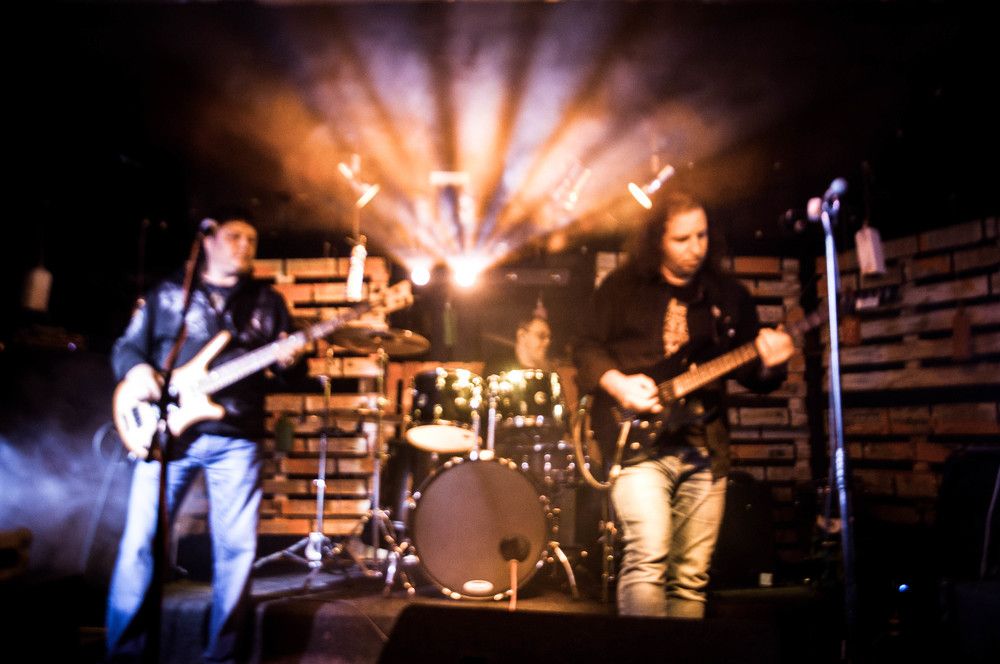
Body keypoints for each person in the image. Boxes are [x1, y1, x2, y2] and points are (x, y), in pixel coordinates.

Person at [572, 191, 794, 618]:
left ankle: (681, 659)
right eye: (682, 239)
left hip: (704, 447)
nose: (696, 248)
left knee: (691, 577)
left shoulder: (727, 296)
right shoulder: (621, 288)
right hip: (636, 444)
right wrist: (619, 384)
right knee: (647, 554)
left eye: (702, 236)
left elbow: (755, 376)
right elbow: (584, 347)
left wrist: (772, 363)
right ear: (657, 240)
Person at [106, 212, 302, 662]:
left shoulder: (267, 302)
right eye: (234, 236)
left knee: (236, 551)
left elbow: (290, 375)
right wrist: (138, 372)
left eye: (252, 238)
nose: (245, 245)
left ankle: (223, 656)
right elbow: (127, 347)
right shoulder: (170, 294)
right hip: (164, 433)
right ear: (208, 240)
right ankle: (125, 654)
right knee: (140, 545)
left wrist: (291, 361)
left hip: (237, 436)